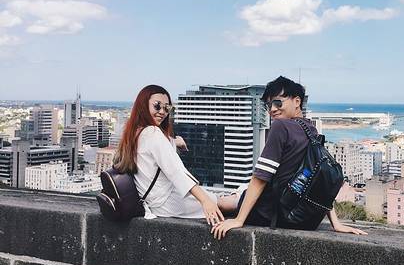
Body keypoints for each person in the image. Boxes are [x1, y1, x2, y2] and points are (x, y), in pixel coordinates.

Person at [212, 76, 367, 239]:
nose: (272, 109)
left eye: (278, 102)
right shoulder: (312, 130)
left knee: (219, 203)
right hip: (303, 220)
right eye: (268, 105)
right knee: (237, 194)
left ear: (297, 101)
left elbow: (260, 177)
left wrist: (239, 220)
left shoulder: (280, 126)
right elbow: (319, 179)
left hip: (270, 212)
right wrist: (336, 224)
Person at [114, 84, 228, 225]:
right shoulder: (153, 133)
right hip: (167, 201)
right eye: (157, 106)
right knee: (222, 203)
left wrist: (175, 141)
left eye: (167, 108)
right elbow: (176, 171)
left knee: (218, 198)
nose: (162, 112)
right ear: (143, 105)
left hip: (151, 203)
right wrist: (205, 201)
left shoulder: (135, 132)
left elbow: (152, 149)